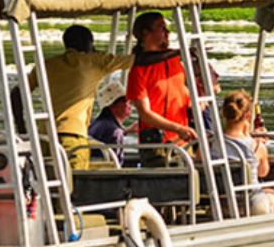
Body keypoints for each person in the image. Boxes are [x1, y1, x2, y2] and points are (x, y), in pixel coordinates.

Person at [29, 25, 133, 170]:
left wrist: (22, 126)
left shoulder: (46, 65)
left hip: (44, 136)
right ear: (90, 44)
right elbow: (135, 61)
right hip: (72, 136)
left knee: (48, 184)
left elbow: (17, 93)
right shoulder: (94, 62)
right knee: (75, 184)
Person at [125, 12, 196, 162]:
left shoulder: (174, 61)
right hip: (156, 142)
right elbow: (145, 114)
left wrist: (196, 102)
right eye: (161, 27)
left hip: (182, 140)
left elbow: (180, 92)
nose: (167, 32)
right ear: (146, 32)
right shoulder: (139, 70)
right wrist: (178, 128)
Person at [218, 90, 274, 215]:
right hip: (250, 200)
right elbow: (263, 173)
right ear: (247, 116)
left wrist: (249, 133)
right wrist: (257, 140)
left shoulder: (210, 143)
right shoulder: (257, 146)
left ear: (223, 112)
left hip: (220, 199)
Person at [88, 79, 133, 166]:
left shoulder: (96, 123)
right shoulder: (115, 132)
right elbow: (116, 166)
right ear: (113, 105)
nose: (129, 105)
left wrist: (126, 131)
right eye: (125, 101)